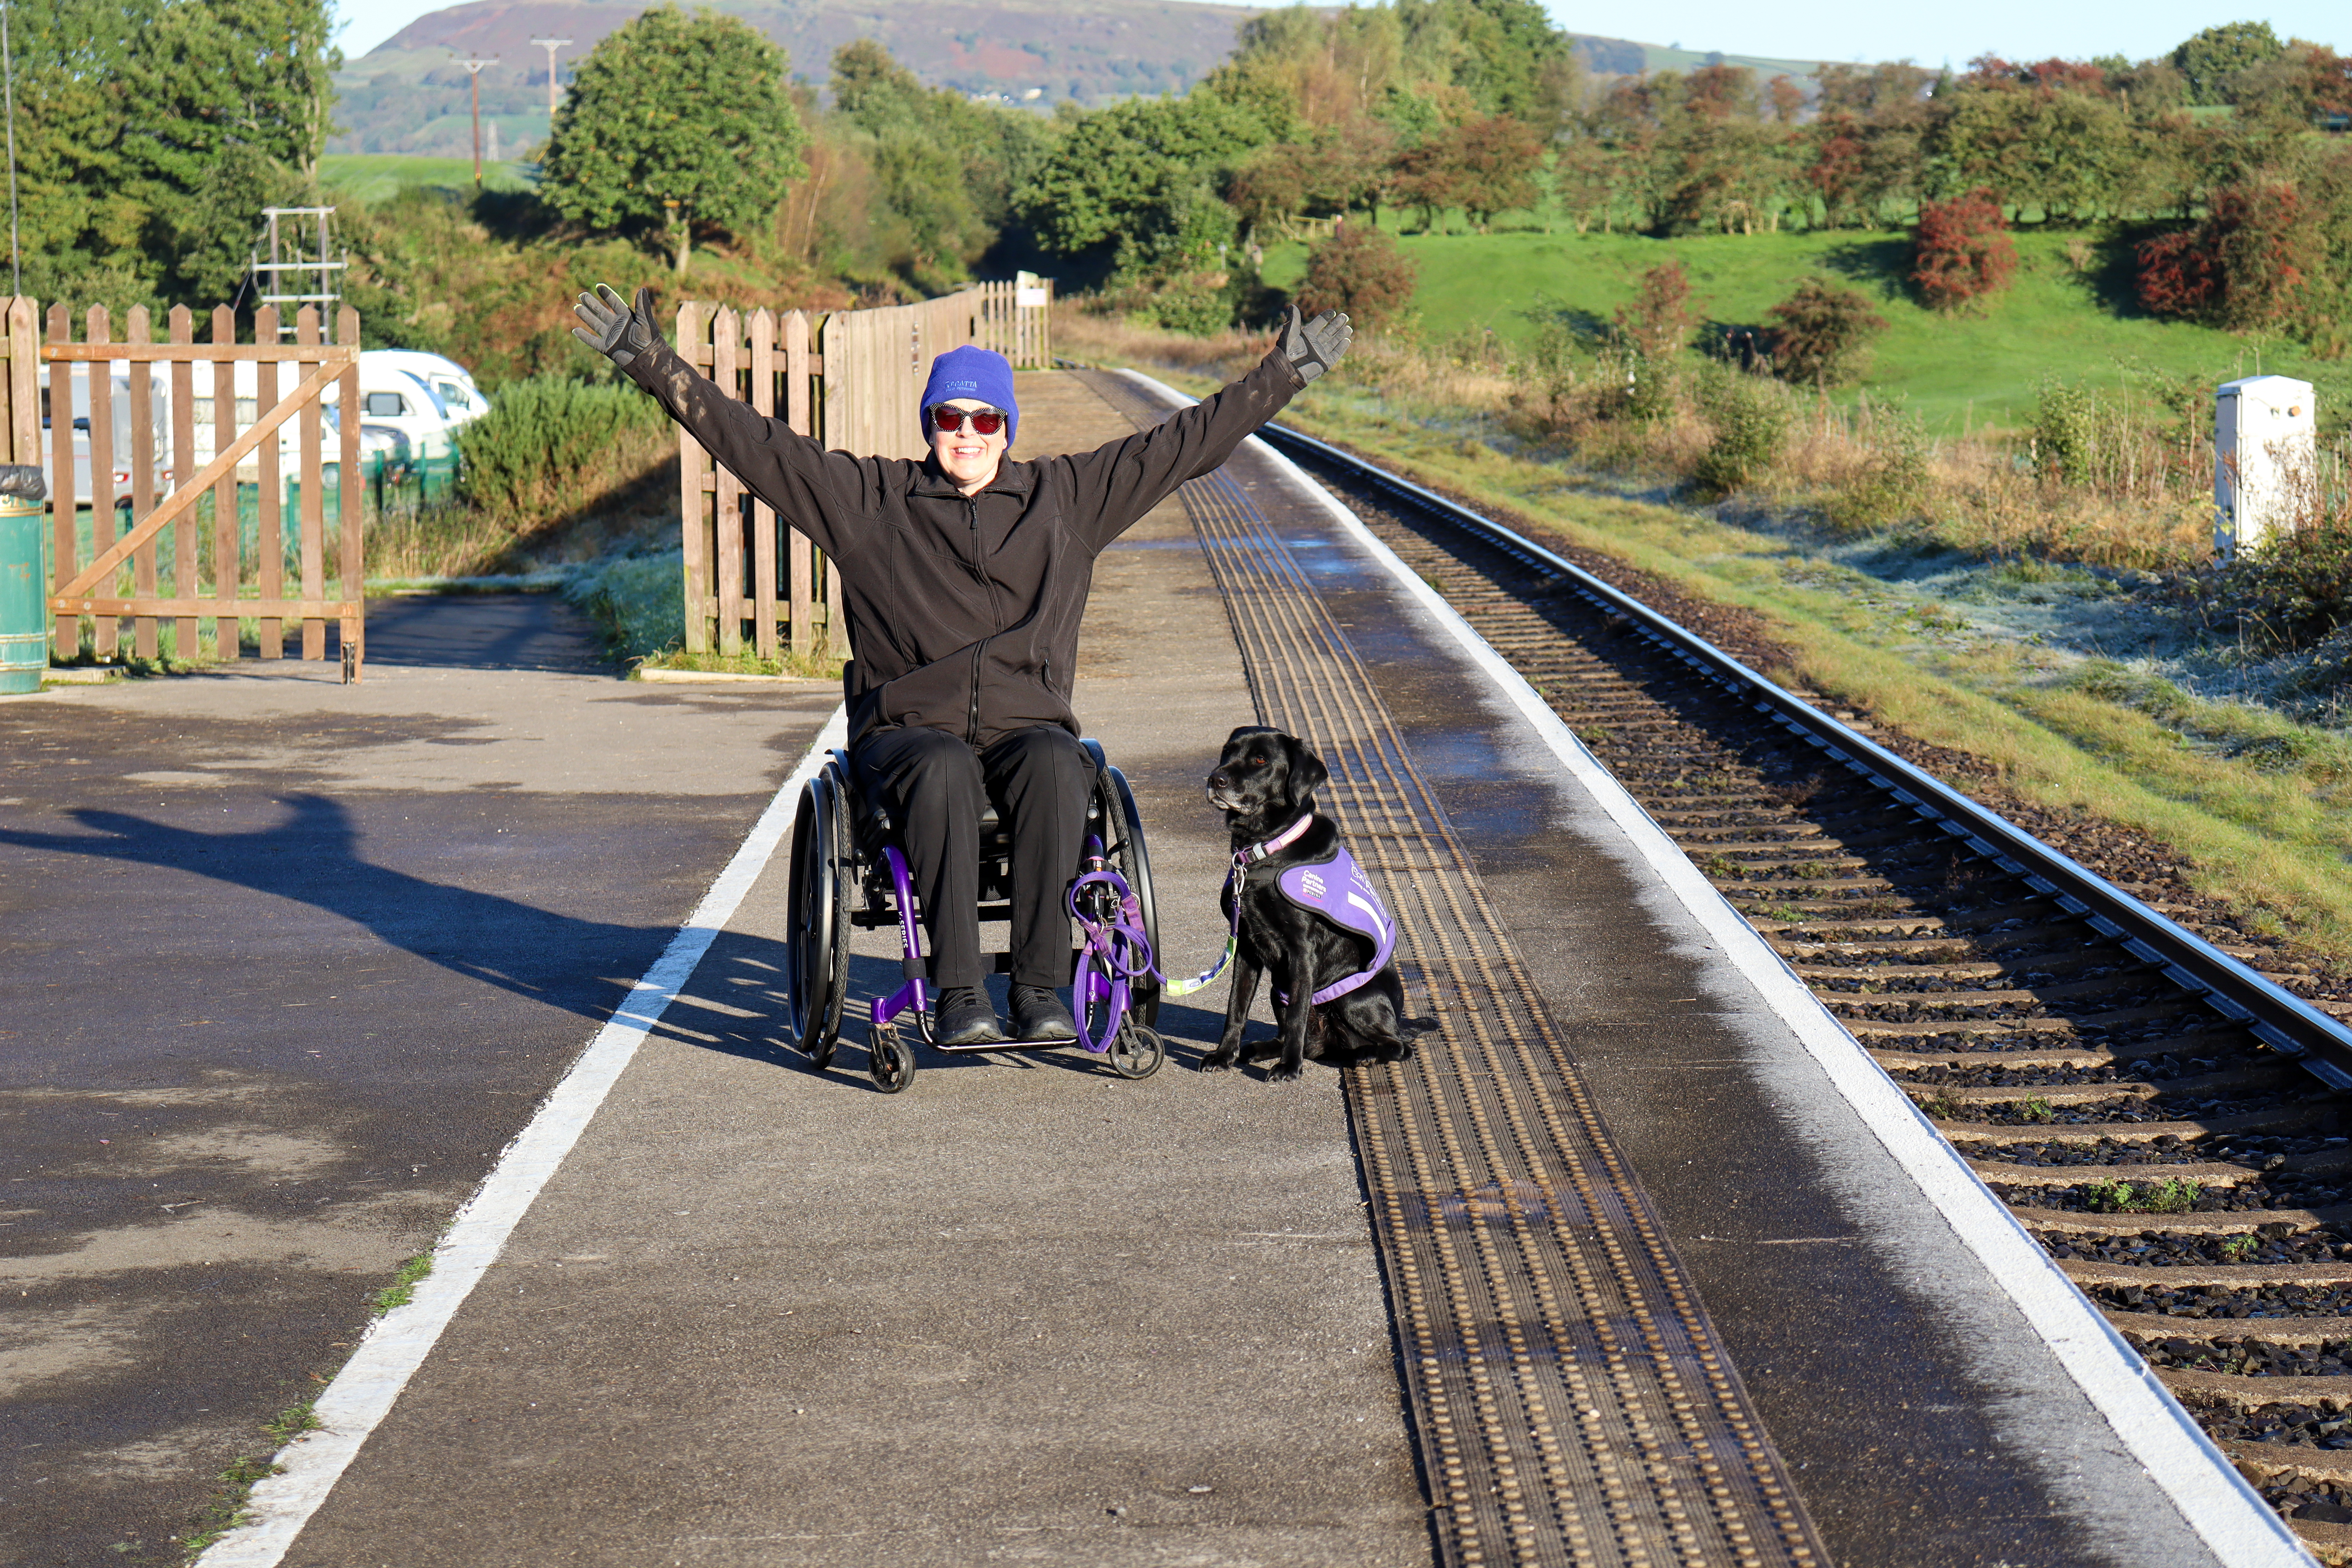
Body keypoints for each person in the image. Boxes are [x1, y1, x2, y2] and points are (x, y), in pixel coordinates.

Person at [573, 285, 1352, 1046]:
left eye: (985, 418)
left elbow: (1182, 446)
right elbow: (757, 446)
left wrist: (1279, 374)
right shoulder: (872, 501)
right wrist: (652, 363)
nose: (968, 433)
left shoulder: (1064, 500)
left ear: (1007, 425)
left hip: (1025, 723)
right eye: (951, 417)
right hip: (911, 730)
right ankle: (958, 993)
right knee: (943, 766)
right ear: (931, 425)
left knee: (1060, 762)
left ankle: (1043, 988)